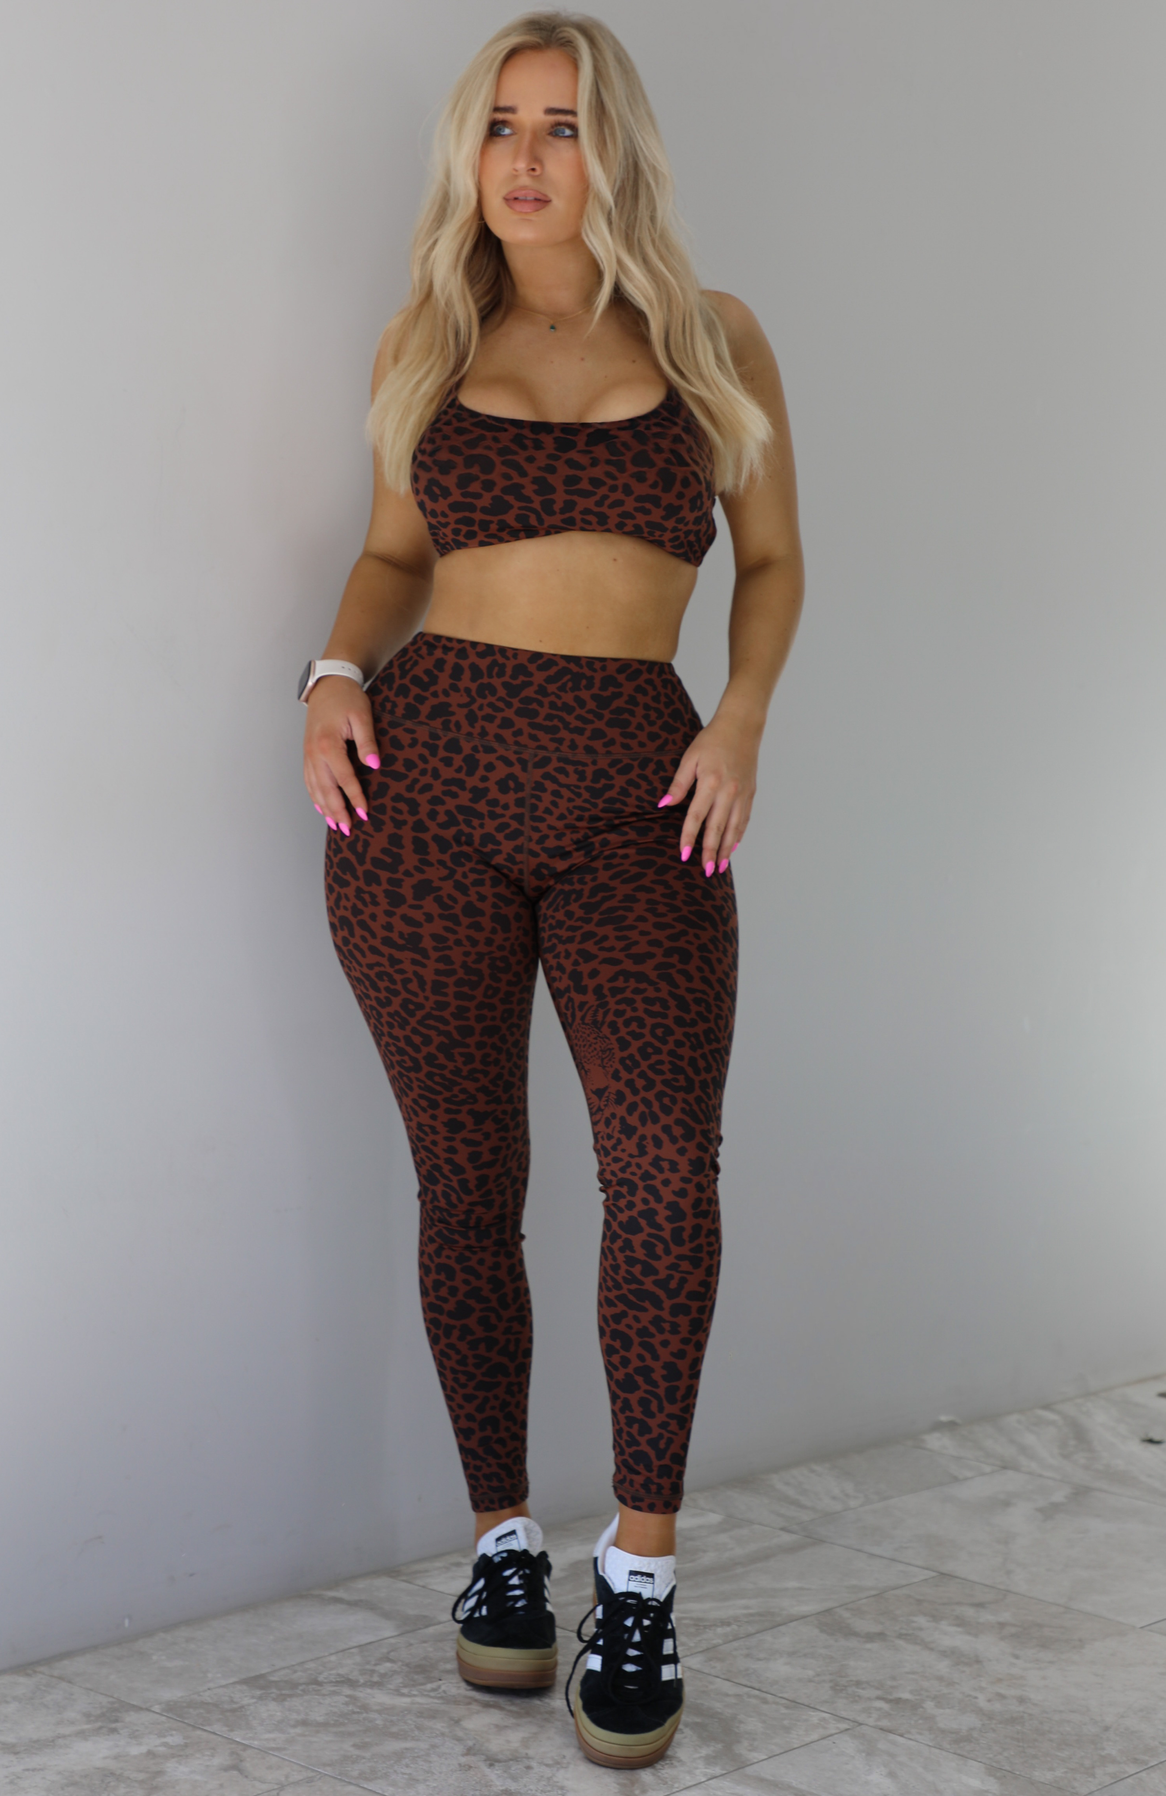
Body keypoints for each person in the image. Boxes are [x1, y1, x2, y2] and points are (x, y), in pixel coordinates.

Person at [299, 10, 801, 1770]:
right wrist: (331, 680)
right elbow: (385, 558)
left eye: (562, 124)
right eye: (500, 125)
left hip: (636, 793)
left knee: (665, 1165)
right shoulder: (429, 339)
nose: (525, 158)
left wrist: (739, 719)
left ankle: (640, 1573)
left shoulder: (712, 335)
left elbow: (778, 561)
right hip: (420, 789)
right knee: (470, 1180)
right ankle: (504, 1556)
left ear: (617, 149)